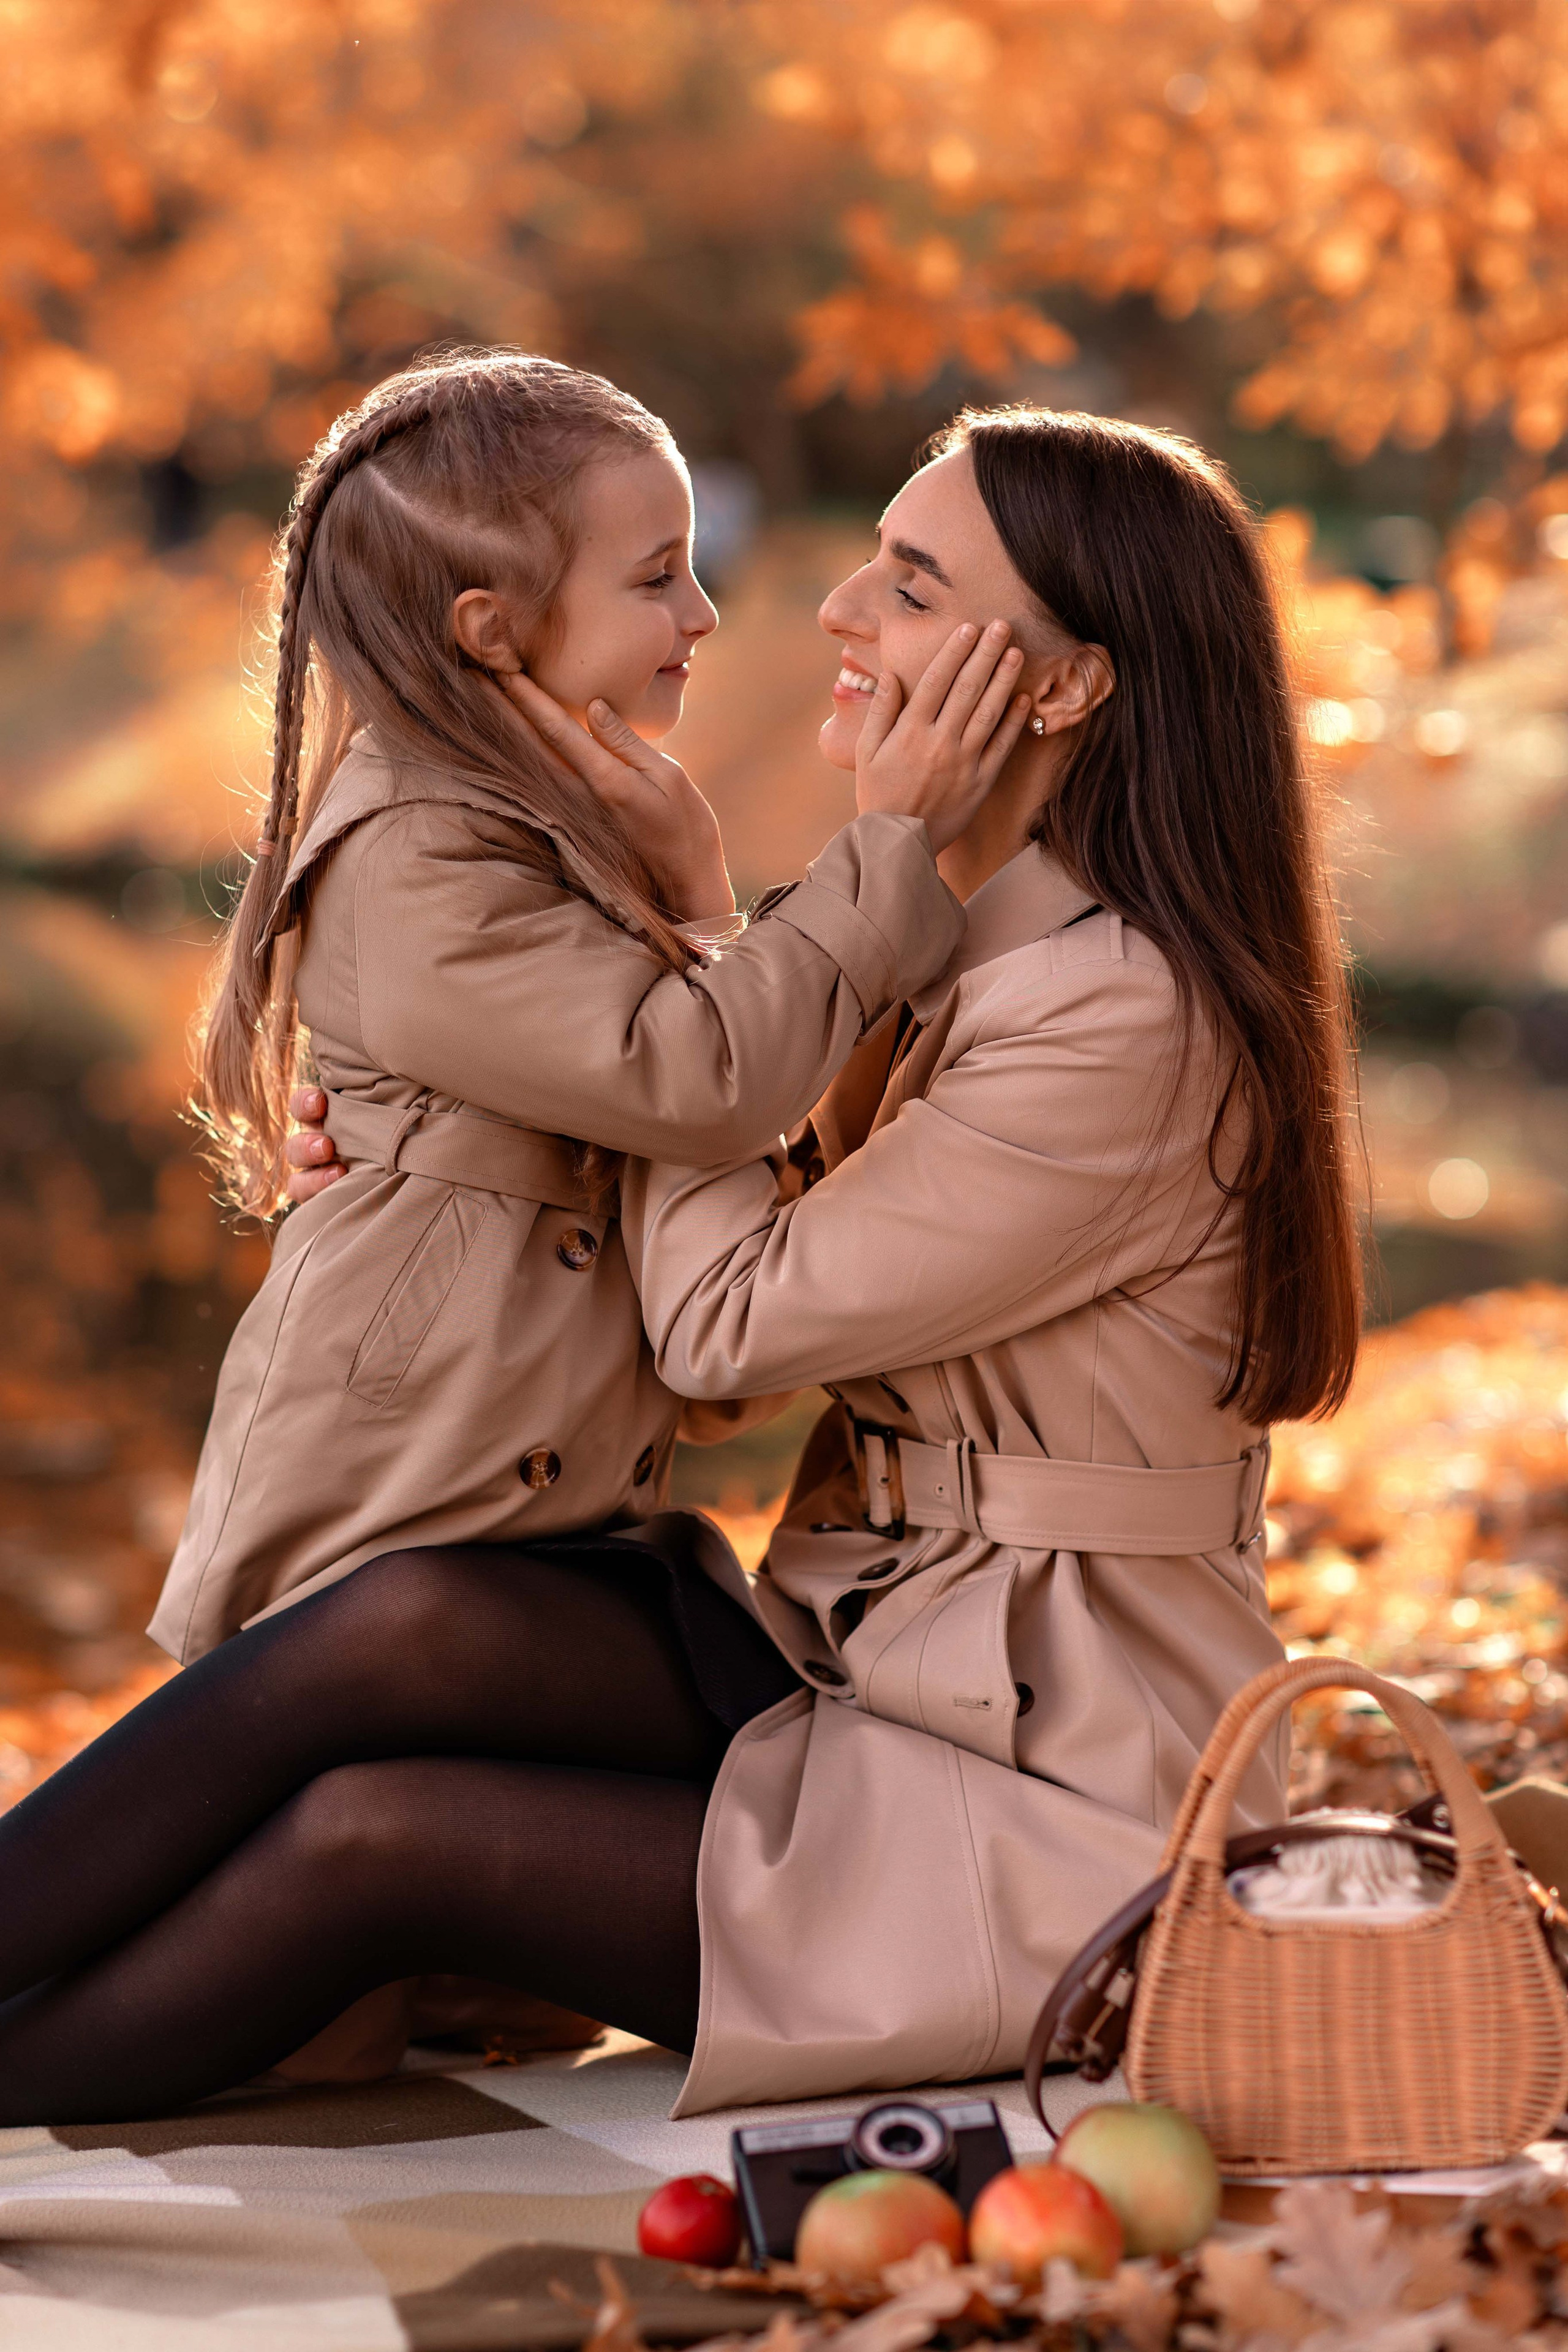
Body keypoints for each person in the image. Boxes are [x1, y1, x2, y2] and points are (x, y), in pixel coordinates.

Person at [0, 405, 1359, 2125]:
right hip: (868, 1682)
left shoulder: (1116, 1021)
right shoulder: (980, 956)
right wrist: (462, 1129)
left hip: (1050, 1806)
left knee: (376, 1838)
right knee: (401, 1623)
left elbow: (721, 1325)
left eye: (917, 587)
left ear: (1066, 688)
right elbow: (726, 1199)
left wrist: (686, 948)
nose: (836, 609)